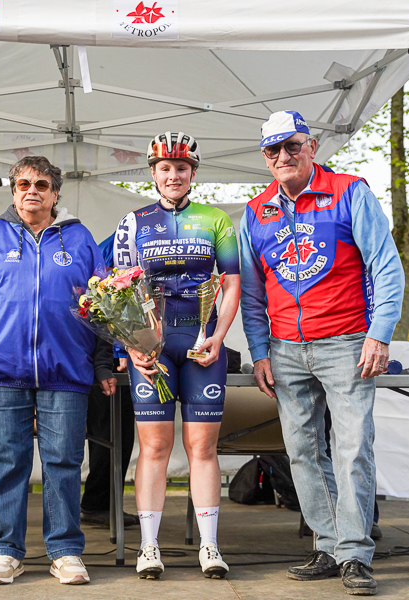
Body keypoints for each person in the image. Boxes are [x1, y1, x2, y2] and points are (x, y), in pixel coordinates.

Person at [239, 110, 404, 596]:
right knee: (302, 452)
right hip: (285, 348)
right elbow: (252, 291)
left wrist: (380, 333)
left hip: (348, 343)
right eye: (273, 150)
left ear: (312, 147)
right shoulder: (256, 210)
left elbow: (386, 264)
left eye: (292, 146)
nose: (283, 156)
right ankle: (328, 546)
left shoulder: (350, 191)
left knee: (352, 448)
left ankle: (355, 552)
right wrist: (259, 351)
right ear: (265, 158)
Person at [0, 156, 114, 586]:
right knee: (8, 462)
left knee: (63, 461)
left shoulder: (81, 240)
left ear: (56, 193)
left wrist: (99, 363)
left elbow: (101, 307)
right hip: (0, 370)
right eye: (23, 184)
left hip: (66, 370)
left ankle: (65, 551)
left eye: (41, 184)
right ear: (13, 190)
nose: (31, 191)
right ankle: (6, 552)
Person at [114, 132, 241, 580]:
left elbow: (230, 283)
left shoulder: (216, 220)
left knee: (202, 447)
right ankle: (149, 548)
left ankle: (210, 546)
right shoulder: (133, 222)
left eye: (182, 168)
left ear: (193, 173)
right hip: (154, 349)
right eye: (165, 168)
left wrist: (219, 336)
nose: (174, 175)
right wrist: (132, 346)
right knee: (154, 448)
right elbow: (119, 290)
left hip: (202, 345)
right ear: (153, 173)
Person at [80, 235, 137, 530]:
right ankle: (97, 504)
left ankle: (101, 502)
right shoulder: (117, 244)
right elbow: (96, 305)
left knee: (123, 433)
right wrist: (118, 350)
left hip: (129, 354)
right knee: (110, 432)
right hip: (103, 358)